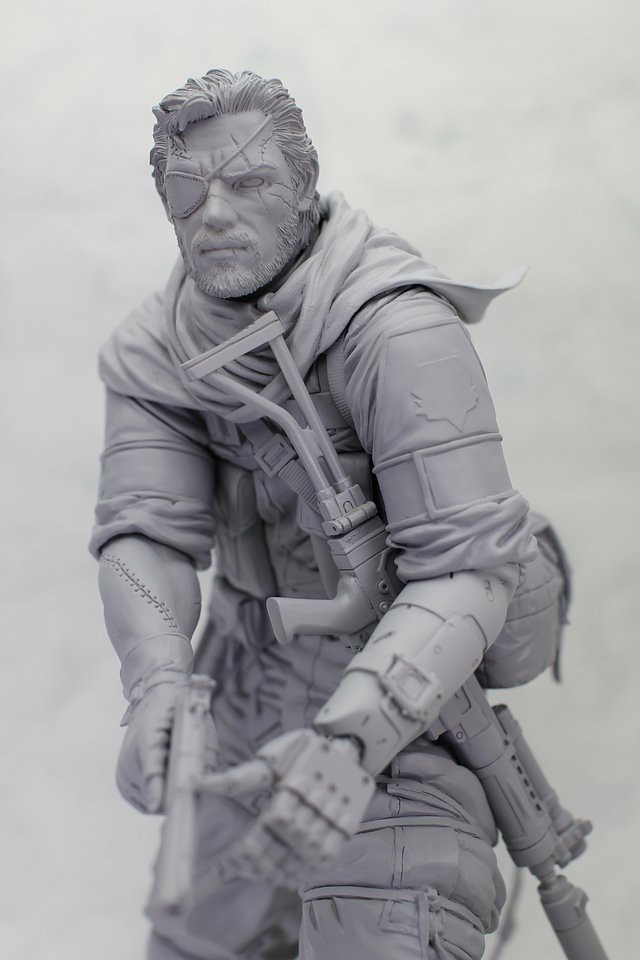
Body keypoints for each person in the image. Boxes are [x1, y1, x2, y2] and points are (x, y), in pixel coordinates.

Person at [91, 69, 567, 960]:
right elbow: (145, 531)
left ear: (303, 189)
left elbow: (467, 571)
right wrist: (156, 679)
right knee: (198, 939)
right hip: (243, 686)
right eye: (188, 190)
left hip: (406, 699)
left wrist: (350, 742)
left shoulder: (397, 331)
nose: (215, 214)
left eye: (249, 182)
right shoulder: (158, 347)